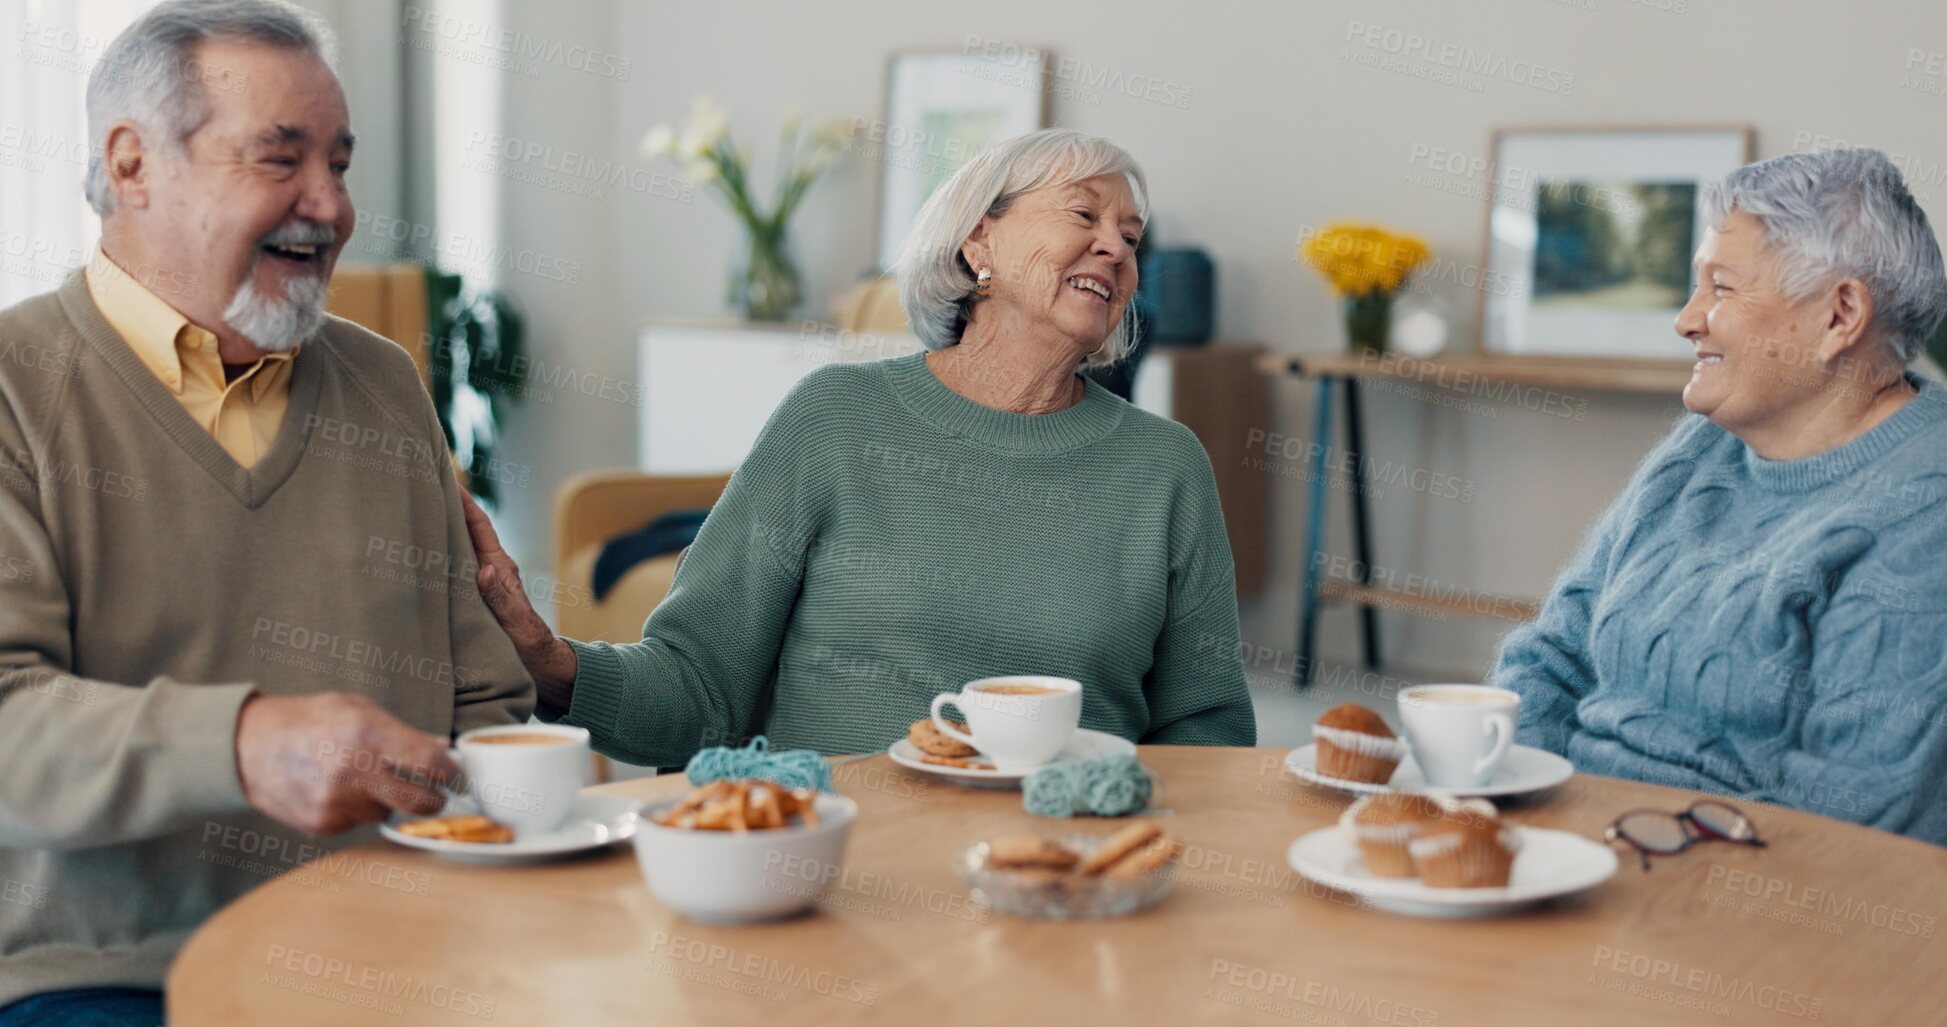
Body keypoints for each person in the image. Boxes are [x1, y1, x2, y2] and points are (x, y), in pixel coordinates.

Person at [0, 1, 532, 1020]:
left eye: (340, 163)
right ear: (131, 165)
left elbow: (485, 702)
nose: (328, 206)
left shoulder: (383, 382)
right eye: (280, 159)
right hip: (114, 974)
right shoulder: (16, 387)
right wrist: (241, 743)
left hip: (402, 945)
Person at [465, 128, 1256, 766]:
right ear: (979, 240)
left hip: (1056, 871)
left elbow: (1208, 730)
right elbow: (700, 684)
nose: (1116, 249)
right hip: (838, 865)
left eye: (1130, 234)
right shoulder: (836, 419)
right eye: (1084, 216)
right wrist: (553, 664)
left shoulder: (1165, 467)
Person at [1493, 148, 1947, 845]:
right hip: (1569, 841)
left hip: (1725, 893)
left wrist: (1605, 851)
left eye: (1721, 289)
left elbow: (1848, 820)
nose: (1686, 319)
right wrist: (1512, 810)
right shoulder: (1702, 445)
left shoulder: (1923, 505)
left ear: (1840, 314)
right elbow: (1552, 655)